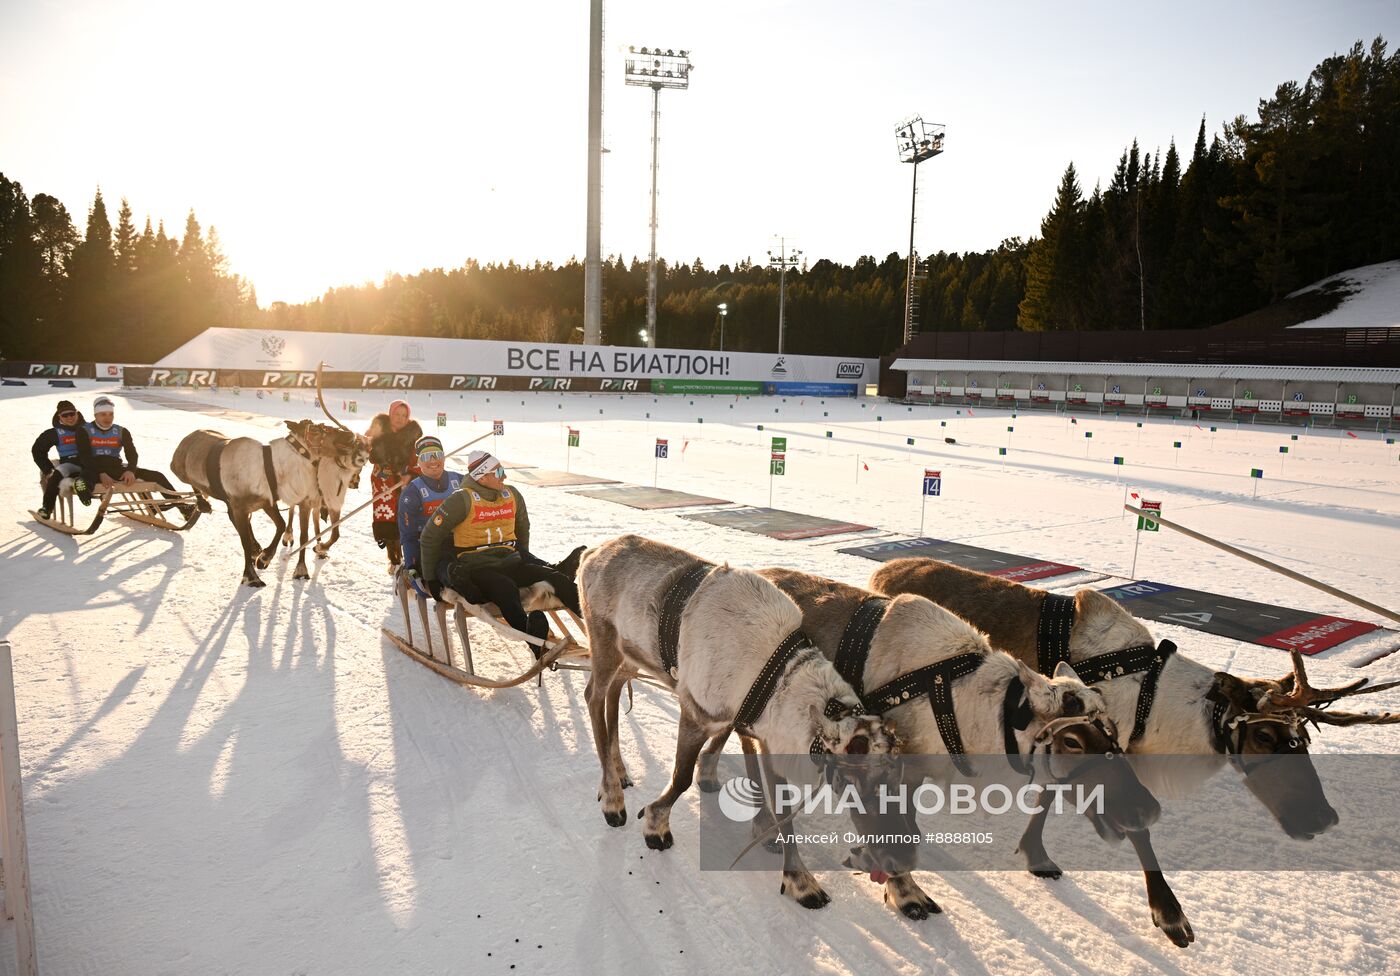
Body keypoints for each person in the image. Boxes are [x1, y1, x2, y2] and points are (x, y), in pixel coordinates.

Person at [417, 450, 581, 649]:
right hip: (478, 567)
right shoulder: (461, 500)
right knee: (505, 588)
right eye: (499, 471)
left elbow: (522, 528)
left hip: (510, 561)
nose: (504, 475)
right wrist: (431, 578)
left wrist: (524, 559)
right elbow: (429, 537)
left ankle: (602, 624)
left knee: (555, 577)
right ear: (483, 477)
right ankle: (534, 641)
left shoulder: (511, 494)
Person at [81, 395, 190, 514]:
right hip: (94, 470)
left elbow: (132, 454)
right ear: (95, 415)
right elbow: (85, 456)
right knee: (85, 478)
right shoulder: (84, 430)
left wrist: (130, 470)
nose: (108, 418)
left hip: (116, 468)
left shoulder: (121, 431)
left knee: (158, 476)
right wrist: (101, 473)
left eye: (110, 414)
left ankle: (182, 507)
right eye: (103, 414)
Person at [397, 435, 464, 585]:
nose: (433, 461)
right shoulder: (412, 492)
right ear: (418, 461)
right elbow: (408, 536)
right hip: (431, 549)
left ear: (444, 457)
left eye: (437, 455)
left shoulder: (460, 481)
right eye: (426, 456)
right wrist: (412, 566)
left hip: (463, 543)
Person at [366, 399, 423, 570]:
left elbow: (417, 459)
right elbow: (366, 450)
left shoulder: (413, 435)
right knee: (388, 516)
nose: (400, 418)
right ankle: (394, 557)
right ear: (390, 414)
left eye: (404, 416)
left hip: (406, 479)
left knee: (406, 515)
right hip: (384, 480)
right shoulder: (378, 429)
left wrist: (410, 474)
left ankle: (410, 554)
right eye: (397, 414)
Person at [31, 399, 92, 519]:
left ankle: (82, 488)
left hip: (89, 463)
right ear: (59, 417)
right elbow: (37, 450)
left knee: (90, 471)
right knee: (56, 476)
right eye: (65, 415)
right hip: (69, 464)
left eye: (72, 414)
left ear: (77, 413)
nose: (70, 418)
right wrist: (48, 469)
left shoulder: (89, 428)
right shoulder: (55, 433)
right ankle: (47, 508)